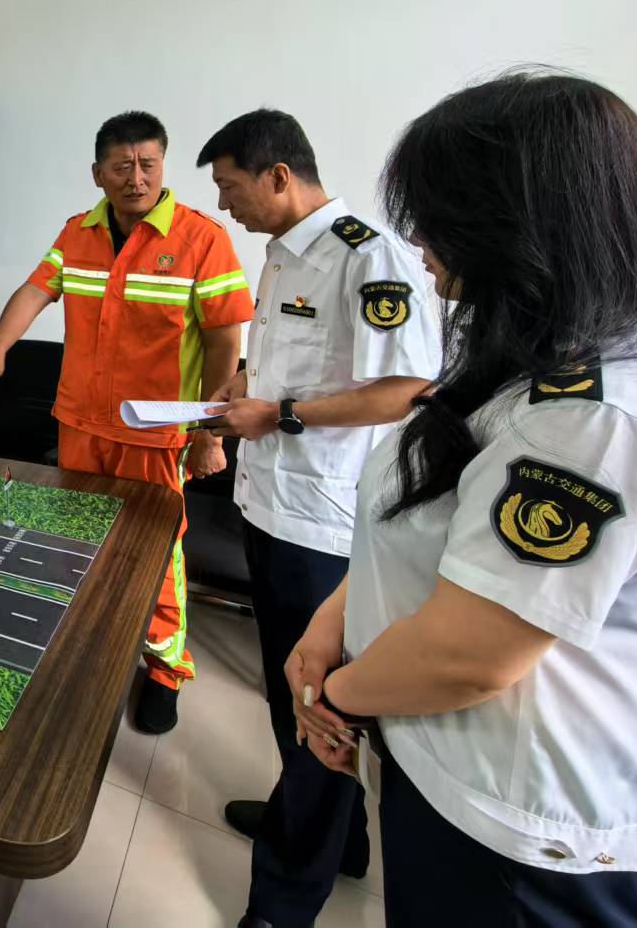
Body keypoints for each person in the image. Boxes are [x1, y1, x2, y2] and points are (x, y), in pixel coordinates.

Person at [290, 69, 637, 928]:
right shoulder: (538, 349)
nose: (418, 238)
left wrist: (336, 696)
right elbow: (434, 521)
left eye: (437, 214)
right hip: (448, 768)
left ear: (513, 222)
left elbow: (468, 656)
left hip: (522, 836)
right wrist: (334, 620)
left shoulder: (602, 416)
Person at [194, 109, 441, 928]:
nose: (225, 203)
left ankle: (283, 897)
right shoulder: (280, 254)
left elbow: (406, 388)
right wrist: (242, 387)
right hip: (269, 505)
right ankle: (343, 843)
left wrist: (280, 414)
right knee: (287, 689)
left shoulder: (368, 256)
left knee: (317, 702)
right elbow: (287, 367)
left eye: (231, 186)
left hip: (326, 524)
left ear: (278, 175)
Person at [0, 110, 253, 733]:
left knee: (156, 557)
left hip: (155, 435)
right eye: (122, 166)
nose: (136, 178)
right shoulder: (79, 232)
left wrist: (209, 431)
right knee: (78, 545)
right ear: (98, 173)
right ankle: (94, 646)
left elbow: (225, 341)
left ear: (163, 165)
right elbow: (34, 291)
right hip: (81, 424)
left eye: (148, 164)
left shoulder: (201, 238)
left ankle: (165, 669)